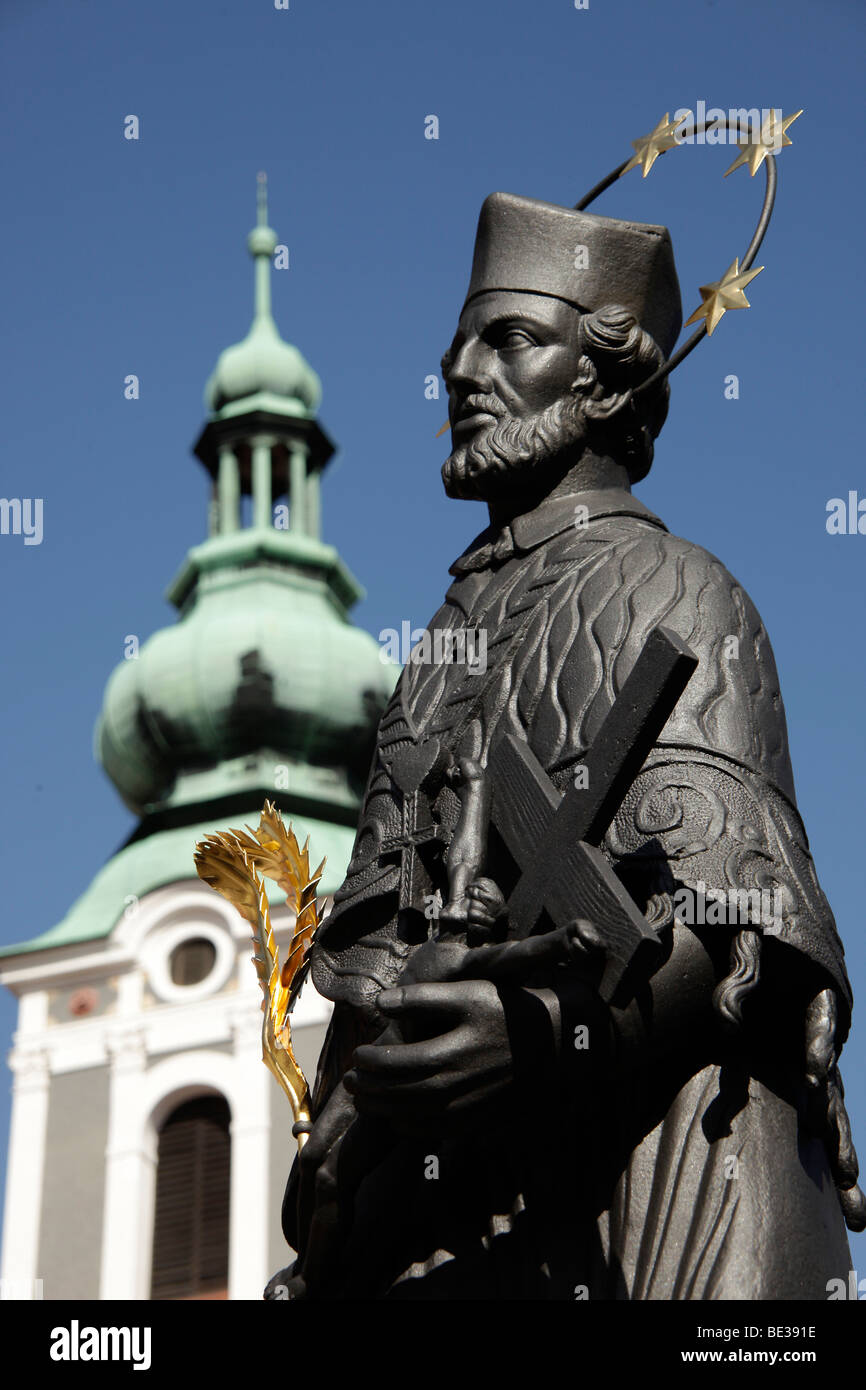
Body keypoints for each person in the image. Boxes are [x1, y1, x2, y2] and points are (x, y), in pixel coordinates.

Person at [271, 191, 863, 1300]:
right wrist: (343, 1161)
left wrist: (541, 1028)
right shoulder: (437, 649)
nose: (458, 371)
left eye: (507, 340)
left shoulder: (672, 586)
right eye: (458, 341)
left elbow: (736, 913)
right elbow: (378, 958)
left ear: (599, 380)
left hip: (646, 1172)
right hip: (466, 1211)